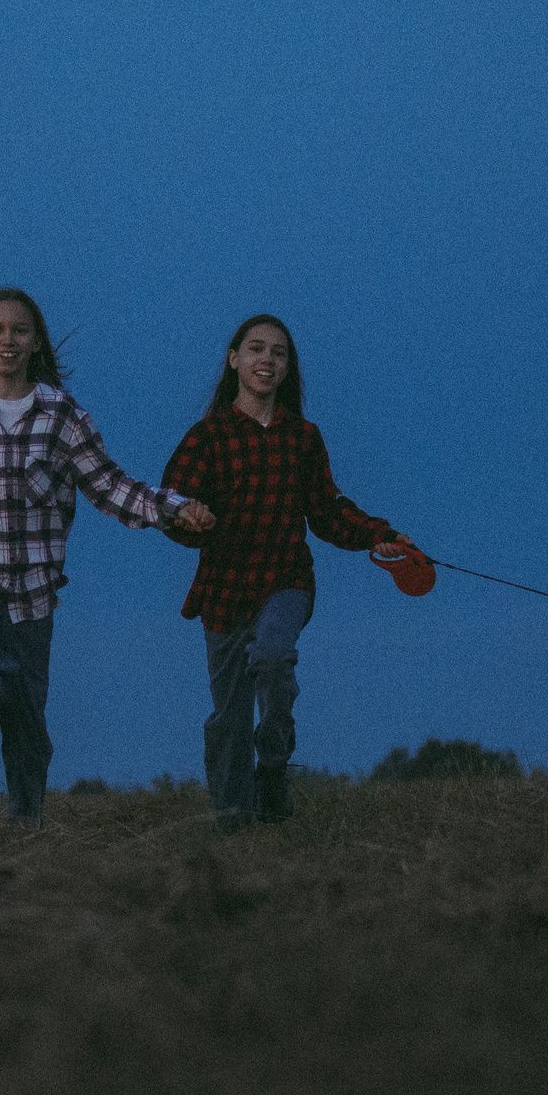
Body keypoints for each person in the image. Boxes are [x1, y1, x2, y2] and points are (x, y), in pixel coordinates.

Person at [0, 288, 214, 826]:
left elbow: (108, 485)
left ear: (36, 341)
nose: (7, 341)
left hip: (33, 588)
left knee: (26, 710)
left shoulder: (63, 416)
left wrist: (173, 509)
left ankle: (26, 821)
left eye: (19, 331)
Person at [162, 313, 412, 830]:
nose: (267, 360)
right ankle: (234, 822)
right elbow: (172, 504)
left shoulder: (302, 437)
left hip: (285, 581)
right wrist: (189, 516)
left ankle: (273, 763)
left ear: (287, 368)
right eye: (256, 349)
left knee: (274, 658)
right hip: (223, 591)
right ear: (234, 360)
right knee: (228, 716)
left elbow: (325, 509)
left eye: (278, 353)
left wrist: (378, 533)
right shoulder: (206, 437)